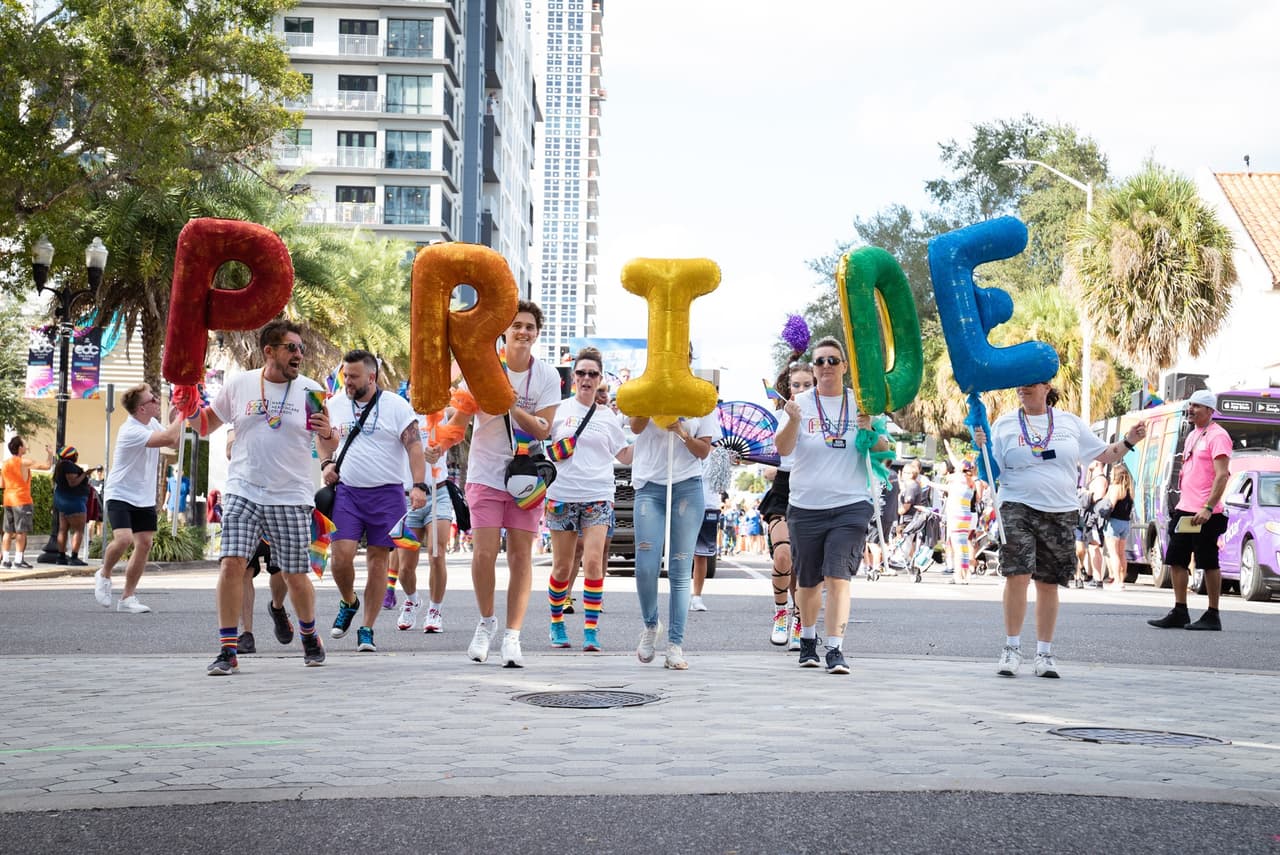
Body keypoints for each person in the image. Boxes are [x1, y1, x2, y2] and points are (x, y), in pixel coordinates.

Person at [975, 377, 1145, 679]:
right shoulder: (1003, 425)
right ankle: (1011, 648)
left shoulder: (1070, 423)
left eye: (1030, 383)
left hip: (1060, 509)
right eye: (1020, 383)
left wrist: (1129, 440)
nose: (1023, 388)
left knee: (1048, 582)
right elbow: (991, 469)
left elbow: (1105, 455)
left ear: (1047, 387)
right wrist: (982, 448)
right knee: (1017, 574)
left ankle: (1044, 654)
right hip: (1016, 504)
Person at [198, 320, 332, 675]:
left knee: (294, 575)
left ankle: (309, 635)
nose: (299, 355)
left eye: (301, 349)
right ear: (268, 351)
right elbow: (205, 424)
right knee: (231, 563)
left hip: (291, 494)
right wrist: (185, 408)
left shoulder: (311, 391)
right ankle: (228, 650)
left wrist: (329, 435)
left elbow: (327, 441)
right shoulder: (240, 385)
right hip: (244, 488)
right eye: (291, 348)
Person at [450, 301, 561, 667]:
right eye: (516, 325)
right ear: (504, 331)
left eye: (529, 326)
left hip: (526, 478)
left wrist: (509, 404)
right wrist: (438, 444)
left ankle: (513, 637)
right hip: (485, 472)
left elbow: (543, 428)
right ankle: (486, 623)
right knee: (483, 554)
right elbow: (461, 418)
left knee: (520, 557)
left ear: (536, 333)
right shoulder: (484, 370)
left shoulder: (545, 376)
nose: (523, 332)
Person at [774, 336, 890, 675]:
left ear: (844, 367)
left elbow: (884, 448)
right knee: (808, 580)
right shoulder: (799, 404)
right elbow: (782, 449)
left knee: (837, 576)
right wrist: (793, 421)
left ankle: (836, 648)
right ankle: (808, 641)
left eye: (832, 361)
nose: (826, 367)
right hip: (806, 504)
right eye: (820, 361)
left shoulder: (862, 403)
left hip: (851, 503)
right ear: (813, 368)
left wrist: (871, 431)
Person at [318, 349, 427, 653]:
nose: (347, 381)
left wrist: (418, 486)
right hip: (349, 493)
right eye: (345, 375)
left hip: (387, 493)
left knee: (379, 561)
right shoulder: (335, 404)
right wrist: (327, 464)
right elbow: (323, 437)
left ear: (371, 376)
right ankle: (349, 601)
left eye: (353, 376)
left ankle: (367, 628)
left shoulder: (396, 406)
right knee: (340, 557)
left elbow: (415, 447)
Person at [629, 382, 719, 671]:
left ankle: (675, 644)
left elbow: (703, 451)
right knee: (645, 564)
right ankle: (651, 625)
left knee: (680, 567)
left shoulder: (701, 395)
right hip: (649, 485)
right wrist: (654, 402)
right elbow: (635, 426)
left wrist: (681, 431)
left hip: (686, 486)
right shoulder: (647, 386)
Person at [545, 347, 629, 651]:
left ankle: (591, 630)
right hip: (562, 495)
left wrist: (653, 435)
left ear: (600, 379)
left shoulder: (608, 418)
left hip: (598, 495)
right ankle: (556, 623)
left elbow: (624, 454)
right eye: (581, 373)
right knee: (562, 568)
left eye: (592, 374)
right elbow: (538, 441)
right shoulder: (558, 410)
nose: (586, 379)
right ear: (573, 377)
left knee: (594, 563)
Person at [95, 383, 183, 613]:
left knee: (144, 544)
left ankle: (127, 598)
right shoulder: (131, 430)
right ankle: (104, 574)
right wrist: (183, 413)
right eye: (152, 400)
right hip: (120, 493)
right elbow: (166, 438)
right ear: (141, 409)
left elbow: (174, 442)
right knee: (123, 539)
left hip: (143, 496)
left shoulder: (150, 422)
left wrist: (178, 418)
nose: (156, 401)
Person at [1149, 388, 1232, 631]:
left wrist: (1208, 507)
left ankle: (1213, 613)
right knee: (1175, 559)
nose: (1191, 410)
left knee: (1208, 561)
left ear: (1209, 410)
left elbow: (1221, 476)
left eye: (1196, 406)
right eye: (1190, 405)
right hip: (1185, 509)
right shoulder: (1194, 434)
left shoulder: (1218, 436)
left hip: (1207, 512)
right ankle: (1180, 610)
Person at [760, 361, 814, 648]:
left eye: (808, 384)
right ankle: (781, 612)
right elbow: (777, 452)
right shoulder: (781, 415)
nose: (802, 389)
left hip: (813, 490)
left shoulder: (826, 416)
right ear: (788, 390)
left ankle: (799, 619)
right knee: (782, 556)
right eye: (797, 385)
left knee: (802, 565)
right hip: (783, 490)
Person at [395, 417, 455, 634]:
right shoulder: (400, 412)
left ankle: (435, 610)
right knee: (405, 568)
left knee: (436, 553)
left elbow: (459, 418)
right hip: (408, 496)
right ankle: (412, 600)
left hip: (438, 493)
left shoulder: (443, 413)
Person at [690, 434, 730, 613]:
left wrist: (726, 459)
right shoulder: (688, 445)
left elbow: (722, 484)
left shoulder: (719, 453)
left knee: (702, 554)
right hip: (685, 504)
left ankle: (697, 596)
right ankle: (681, 594)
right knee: (682, 553)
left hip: (709, 505)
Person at [1, 437, 52, 569]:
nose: (26, 446)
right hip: (22, 500)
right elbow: (47, 466)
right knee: (21, 532)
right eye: (24, 444)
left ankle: (5, 560)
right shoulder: (24, 462)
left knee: (7, 531)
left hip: (8, 499)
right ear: (20, 448)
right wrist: (50, 454)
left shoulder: (5, 463)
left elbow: (2, 484)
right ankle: (18, 560)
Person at [52, 447, 91, 566]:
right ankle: (74, 557)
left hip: (62, 500)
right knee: (78, 530)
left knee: (63, 529)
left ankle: (61, 556)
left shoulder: (59, 466)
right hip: (74, 501)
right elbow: (73, 482)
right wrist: (85, 474)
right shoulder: (68, 466)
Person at [945, 461, 979, 585]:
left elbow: (947, 485)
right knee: (963, 547)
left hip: (956, 516)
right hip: (966, 516)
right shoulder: (972, 482)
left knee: (957, 548)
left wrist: (929, 483)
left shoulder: (959, 480)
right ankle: (965, 574)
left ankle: (958, 575)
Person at [1102, 464, 1134, 591]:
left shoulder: (1115, 488)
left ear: (1116, 475)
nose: (1110, 475)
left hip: (1113, 522)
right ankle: (1122, 581)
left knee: (1113, 553)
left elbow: (1111, 505)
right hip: (1125, 523)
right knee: (1121, 553)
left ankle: (1117, 581)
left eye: (1112, 473)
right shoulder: (1129, 490)